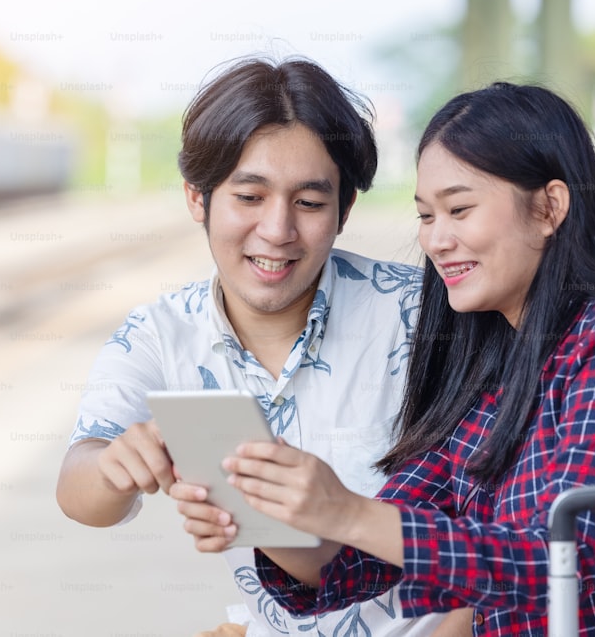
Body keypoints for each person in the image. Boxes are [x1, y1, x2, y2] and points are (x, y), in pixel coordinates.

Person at [171, 81, 595, 634]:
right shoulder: (494, 362)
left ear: (549, 206)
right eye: (424, 216)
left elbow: (557, 560)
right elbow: (362, 562)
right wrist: (263, 510)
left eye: (458, 210)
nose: (436, 240)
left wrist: (345, 510)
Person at [55, 56, 447, 636]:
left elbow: (499, 532)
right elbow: (78, 490)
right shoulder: (157, 335)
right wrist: (114, 467)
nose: (277, 230)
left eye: (309, 203)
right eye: (249, 197)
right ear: (198, 198)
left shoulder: (426, 316)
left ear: (345, 210)